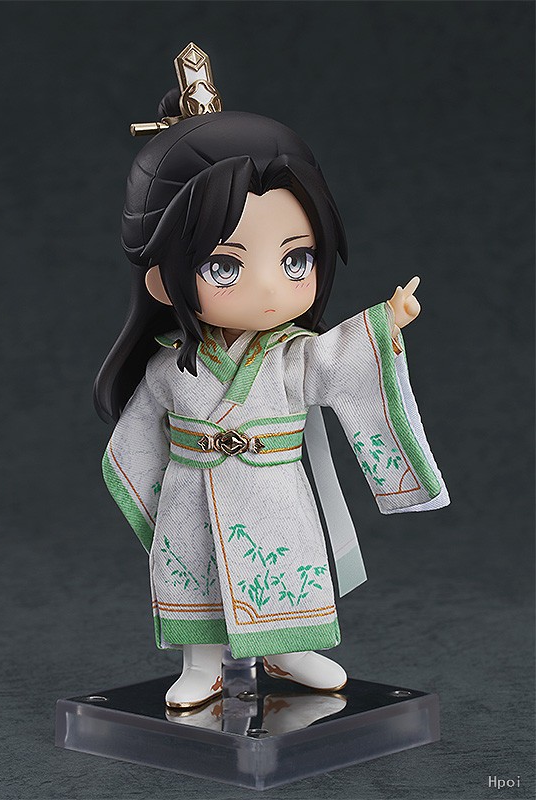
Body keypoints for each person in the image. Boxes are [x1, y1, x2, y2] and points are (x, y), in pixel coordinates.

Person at [94, 44, 449, 709]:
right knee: (195, 578)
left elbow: (338, 359)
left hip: (273, 489)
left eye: (295, 260)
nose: (266, 288)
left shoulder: (290, 356)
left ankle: (287, 649)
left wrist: (383, 324)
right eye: (225, 266)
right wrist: (151, 492)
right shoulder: (171, 366)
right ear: (162, 279)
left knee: (283, 571)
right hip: (192, 493)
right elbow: (136, 438)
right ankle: (202, 666)